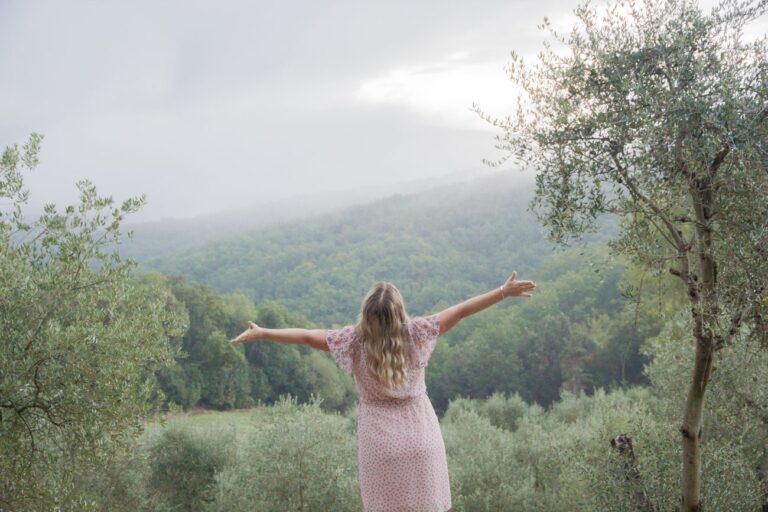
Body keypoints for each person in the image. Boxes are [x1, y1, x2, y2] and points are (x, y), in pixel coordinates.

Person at [230, 271, 536, 512]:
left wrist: (263, 333)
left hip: (379, 445)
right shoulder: (418, 333)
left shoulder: (352, 341)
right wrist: (502, 293)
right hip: (421, 439)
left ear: (366, 314)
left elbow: (308, 337)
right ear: (399, 312)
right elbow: (462, 310)